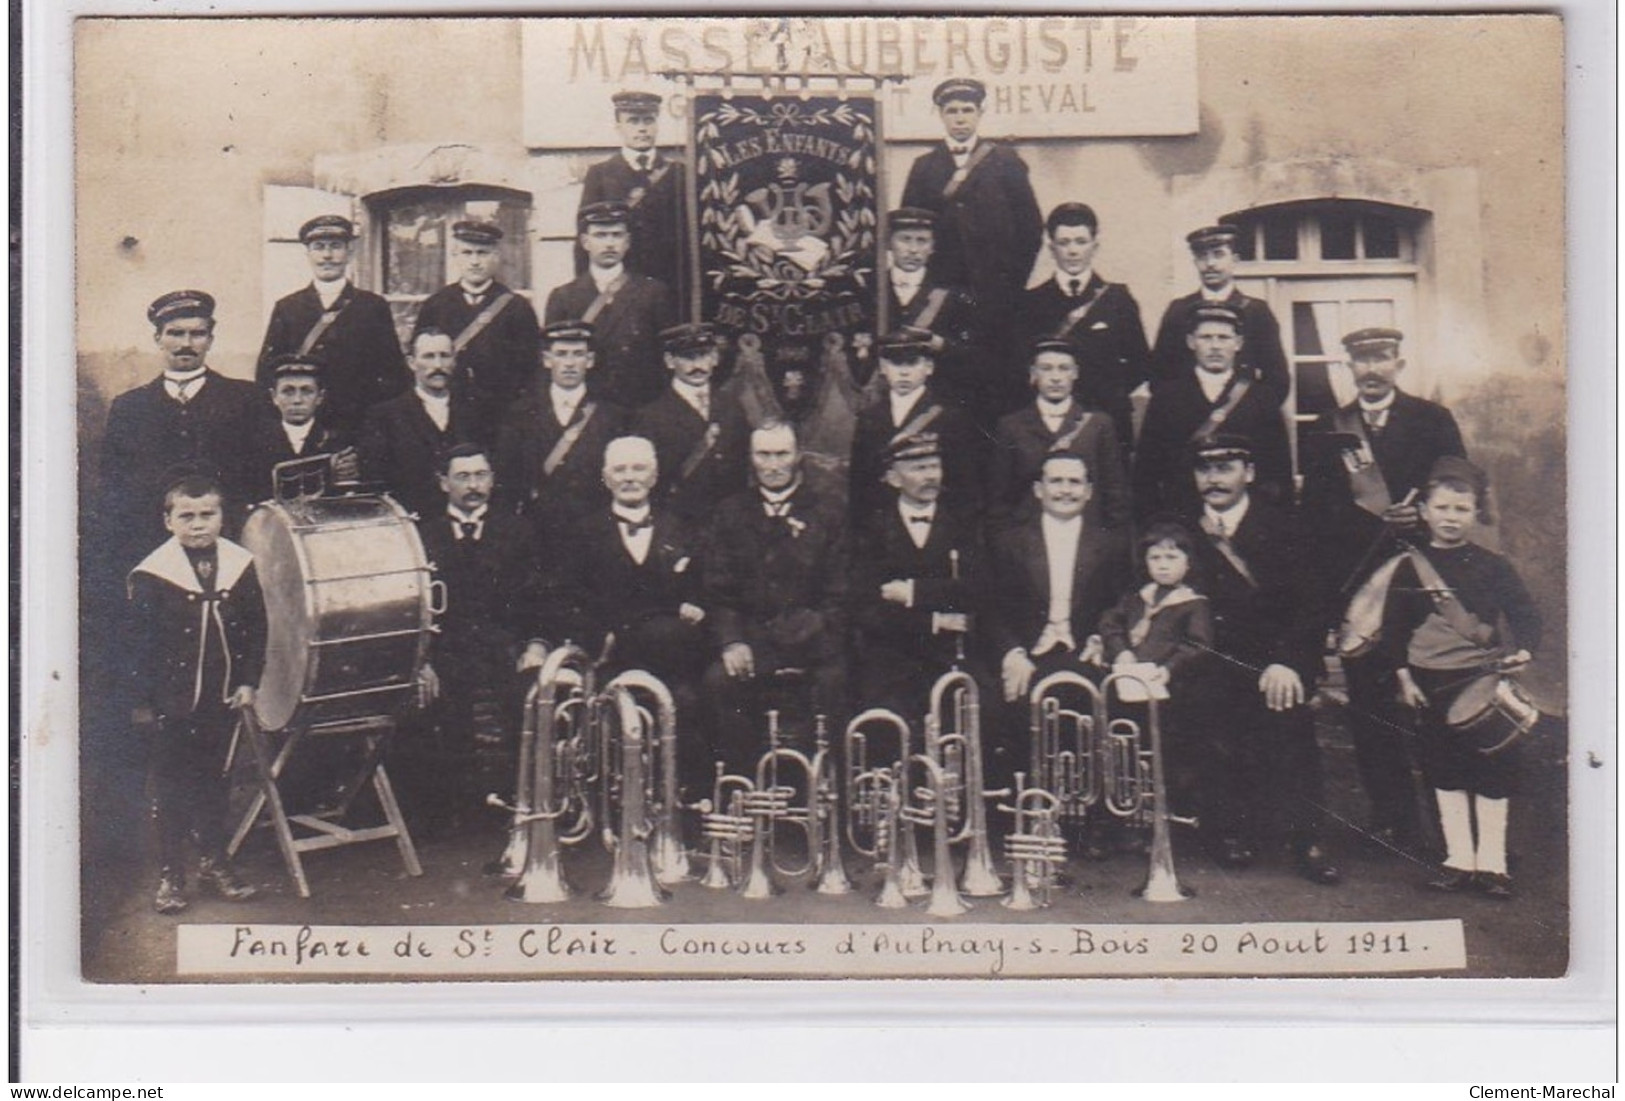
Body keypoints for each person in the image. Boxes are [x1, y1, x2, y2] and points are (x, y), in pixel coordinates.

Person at [1300, 326, 1467, 849]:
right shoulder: (1330, 427)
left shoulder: (1433, 419)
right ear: (1348, 367)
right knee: (1371, 705)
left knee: (1437, 697)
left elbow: (1459, 488)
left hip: (1423, 580)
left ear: (1399, 362)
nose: (1371, 370)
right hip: (1361, 582)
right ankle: (1394, 818)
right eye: (1361, 361)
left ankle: (1451, 824)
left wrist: (1415, 515)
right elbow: (1317, 513)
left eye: (1381, 358)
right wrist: (1368, 527)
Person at [1179, 433, 1340, 885]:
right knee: (1210, 715)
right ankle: (1228, 829)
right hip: (1211, 659)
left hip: (1276, 657)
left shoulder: (1287, 525)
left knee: (1288, 715)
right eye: (1205, 469)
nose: (1214, 479)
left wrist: (1290, 661)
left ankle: (1308, 838)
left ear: (1248, 473)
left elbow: (1313, 603)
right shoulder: (1181, 531)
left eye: (1226, 467)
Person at [1378, 457, 1540, 900]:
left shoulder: (1494, 566)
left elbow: (1525, 614)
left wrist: (1525, 649)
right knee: (1442, 770)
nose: (1451, 519)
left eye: (1461, 510)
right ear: (1426, 512)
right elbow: (1392, 628)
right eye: (1443, 508)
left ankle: (1493, 865)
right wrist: (1403, 677)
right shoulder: (1409, 567)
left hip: (1480, 681)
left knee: (1492, 767)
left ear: (1475, 513)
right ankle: (1458, 861)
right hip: (1429, 683)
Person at [126, 474, 266, 913]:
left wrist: (248, 681)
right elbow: (139, 643)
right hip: (173, 701)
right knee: (171, 786)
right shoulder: (154, 573)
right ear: (168, 521)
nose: (199, 525)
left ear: (222, 517)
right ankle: (171, 874)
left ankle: (214, 862)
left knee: (216, 781)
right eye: (186, 516)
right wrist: (145, 702)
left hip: (221, 697)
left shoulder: (240, 564)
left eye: (208, 514)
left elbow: (257, 628)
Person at [556, 436, 711, 794]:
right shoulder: (582, 533)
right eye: (620, 469)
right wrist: (600, 636)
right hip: (612, 659)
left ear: (654, 476)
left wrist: (695, 605)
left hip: (672, 663)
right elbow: (568, 598)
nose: (630, 477)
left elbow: (701, 591)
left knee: (688, 703)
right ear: (606, 478)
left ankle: (682, 803)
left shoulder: (682, 528)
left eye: (639, 468)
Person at [411, 443, 550, 832]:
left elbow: (539, 596)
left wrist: (536, 646)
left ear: (493, 480)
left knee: (519, 703)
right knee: (440, 714)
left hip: (504, 647)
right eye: (462, 476)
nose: (473, 485)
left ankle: (513, 806)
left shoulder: (519, 531)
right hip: (445, 652)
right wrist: (422, 663)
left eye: (481, 475)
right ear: (443, 483)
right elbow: (415, 606)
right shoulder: (423, 536)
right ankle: (453, 813)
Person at [701, 422, 849, 772]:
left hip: (815, 640)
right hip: (753, 642)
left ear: (798, 456)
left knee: (837, 683)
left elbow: (840, 590)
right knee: (717, 683)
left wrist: (809, 632)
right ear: (751, 459)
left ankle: (823, 792)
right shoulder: (730, 512)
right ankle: (745, 786)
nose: (772, 464)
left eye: (782, 454)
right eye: (763, 455)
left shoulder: (829, 511)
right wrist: (732, 641)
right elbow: (719, 591)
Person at [988, 451, 1128, 793]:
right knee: (1010, 712)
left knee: (1095, 709)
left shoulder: (1112, 543)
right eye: (1056, 481)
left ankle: (1089, 818)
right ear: (1039, 489)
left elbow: (1124, 602)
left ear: (1089, 491)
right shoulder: (1007, 542)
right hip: (1028, 653)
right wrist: (1011, 654)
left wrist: (1101, 638)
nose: (1065, 490)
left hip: (1085, 652)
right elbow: (990, 608)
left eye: (1075, 482)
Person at [98, 290, 262, 567]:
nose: (186, 343)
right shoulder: (129, 407)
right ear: (158, 339)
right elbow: (115, 488)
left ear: (210, 340)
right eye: (175, 333)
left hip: (230, 544)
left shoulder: (245, 398)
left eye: (197, 334)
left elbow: (259, 477)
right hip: (152, 546)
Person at [900, 78, 1042, 365]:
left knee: (993, 371)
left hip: (996, 296)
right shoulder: (924, 168)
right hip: (942, 295)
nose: (960, 118)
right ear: (940, 115)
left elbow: (1031, 229)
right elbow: (908, 231)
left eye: (967, 109)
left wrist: (1010, 285)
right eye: (952, 111)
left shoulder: (1006, 162)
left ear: (979, 113)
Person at [849, 431, 987, 721]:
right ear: (893, 478)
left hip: (950, 650)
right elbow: (866, 608)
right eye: (918, 468)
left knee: (982, 710)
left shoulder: (964, 522)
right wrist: (935, 620)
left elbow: (976, 590)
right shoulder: (872, 528)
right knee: (883, 718)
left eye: (934, 467)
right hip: (892, 653)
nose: (930, 476)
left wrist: (912, 592)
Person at [1098, 519, 1215, 821]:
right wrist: (1120, 650)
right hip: (1129, 682)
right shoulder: (1137, 598)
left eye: (1172, 558)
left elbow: (1198, 644)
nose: (1163, 565)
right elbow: (1110, 623)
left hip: (1167, 690)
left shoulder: (1192, 604)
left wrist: (1170, 668)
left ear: (1188, 563)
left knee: (1165, 751)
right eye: (1155, 558)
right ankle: (1125, 808)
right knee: (1124, 743)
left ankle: (1166, 810)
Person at [1134, 304, 1292, 521]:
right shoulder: (1166, 398)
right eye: (1206, 337)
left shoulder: (1261, 398)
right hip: (1182, 519)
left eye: (1223, 338)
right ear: (1191, 342)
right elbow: (1147, 470)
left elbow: (1277, 470)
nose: (1215, 346)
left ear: (1238, 343)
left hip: (1247, 520)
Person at [255, 214, 409, 433]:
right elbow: (267, 374)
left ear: (350, 252)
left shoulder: (372, 307)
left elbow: (393, 374)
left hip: (359, 424)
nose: (327, 256)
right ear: (308, 253)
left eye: (336, 246)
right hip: (304, 426)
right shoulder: (288, 308)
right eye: (319, 247)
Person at [1015, 202, 1150, 446]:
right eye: (1064, 243)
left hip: (1105, 421)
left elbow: (1140, 363)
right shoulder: (1030, 303)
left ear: (1094, 246)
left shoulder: (1117, 299)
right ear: (1052, 248)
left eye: (1080, 241)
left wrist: (1104, 393)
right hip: (1050, 423)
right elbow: (1021, 365)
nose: (1073, 251)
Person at [494, 320, 627, 546]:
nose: (569, 363)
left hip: (596, 533)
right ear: (547, 360)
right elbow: (508, 481)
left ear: (590, 360)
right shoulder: (520, 414)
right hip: (538, 533)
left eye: (577, 354)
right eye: (561, 354)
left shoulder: (612, 416)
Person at [412, 220, 541, 440]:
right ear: (455, 256)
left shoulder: (516, 307)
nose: (474, 262)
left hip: (501, 419)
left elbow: (532, 373)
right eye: (467, 253)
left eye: (482, 253)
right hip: (448, 417)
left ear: (496, 257)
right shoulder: (436, 304)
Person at [987, 338, 1130, 534]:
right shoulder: (1011, 426)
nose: (1056, 377)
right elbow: (999, 498)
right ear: (1033, 374)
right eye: (1046, 368)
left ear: (1075, 373)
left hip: (1086, 534)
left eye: (1064, 368)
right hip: (1028, 537)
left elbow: (1114, 493)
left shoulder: (1098, 424)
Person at [545, 201, 677, 409]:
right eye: (600, 235)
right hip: (588, 414)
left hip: (640, 408)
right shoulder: (563, 297)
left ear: (628, 242)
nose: (609, 244)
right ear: (585, 241)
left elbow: (667, 361)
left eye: (617, 235)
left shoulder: (652, 293)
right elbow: (552, 364)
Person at [848, 327, 981, 523]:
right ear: (883, 367)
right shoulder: (869, 417)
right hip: (882, 526)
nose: (903, 372)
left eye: (912, 363)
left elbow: (963, 486)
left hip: (934, 522)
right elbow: (859, 485)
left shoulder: (950, 417)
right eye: (895, 363)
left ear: (929, 367)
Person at [630, 322, 751, 528]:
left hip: (731, 526)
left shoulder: (732, 406)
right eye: (688, 357)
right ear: (670, 361)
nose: (698, 365)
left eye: (704, 355)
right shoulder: (650, 417)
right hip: (679, 525)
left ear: (715, 358)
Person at [1149, 224, 1288, 395]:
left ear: (1235, 260)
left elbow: (1277, 379)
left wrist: (1254, 411)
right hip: (1188, 417)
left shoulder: (1256, 311)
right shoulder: (1179, 310)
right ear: (1195, 263)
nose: (1210, 264)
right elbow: (1158, 375)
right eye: (1202, 256)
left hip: (1243, 415)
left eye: (1218, 255)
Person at [577, 90, 688, 304]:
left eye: (648, 120)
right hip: (619, 290)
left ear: (657, 124)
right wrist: (587, 295)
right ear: (618, 127)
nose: (642, 128)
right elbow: (584, 241)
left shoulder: (679, 174)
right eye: (633, 121)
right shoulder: (600, 175)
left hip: (670, 287)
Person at [868, 207, 979, 409]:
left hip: (932, 403)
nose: (913, 250)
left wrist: (939, 344)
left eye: (922, 241)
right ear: (889, 243)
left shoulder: (952, 295)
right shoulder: (871, 288)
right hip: (878, 399)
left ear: (932, 246)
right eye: (905, 239)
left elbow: (970, 356)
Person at [359, 328, 477, 517]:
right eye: (428, 357)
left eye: (444, 356)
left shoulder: (475, 412)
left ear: (454, 361)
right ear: (411, 362)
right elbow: (375, 481)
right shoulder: (384, 416)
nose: (438, 365)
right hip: (411, 524)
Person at [241, 353, 359, 508]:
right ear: (274, 397)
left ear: (320, 397)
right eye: (288, 391)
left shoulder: (338, 443)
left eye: (307, 391)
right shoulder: (252, 442)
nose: (297, 400)